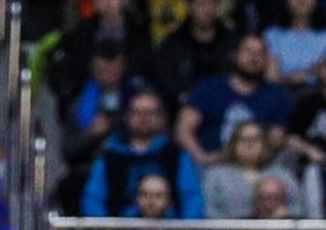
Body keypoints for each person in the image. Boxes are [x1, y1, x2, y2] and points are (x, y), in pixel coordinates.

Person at [82, 91, 206, 219]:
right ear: (127, 117)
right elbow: (93, 199)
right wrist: (105, 228)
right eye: (137, 112)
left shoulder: (176, 154)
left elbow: (192, 197)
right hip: (121, 227)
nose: (144, 118)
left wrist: (184, 229)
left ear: (162, 117)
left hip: (169, 227)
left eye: (150, 113)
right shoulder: (109, 155)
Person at [176, 35, 292, 166]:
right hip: (211, 163)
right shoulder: (208, 87)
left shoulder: (276, 94)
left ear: (267, 60)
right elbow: (183, 129)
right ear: (235, 55)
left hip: (258, 166)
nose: (253, 57)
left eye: (260, 53)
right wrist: (202, 157)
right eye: (248, 51)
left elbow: (276, 138)